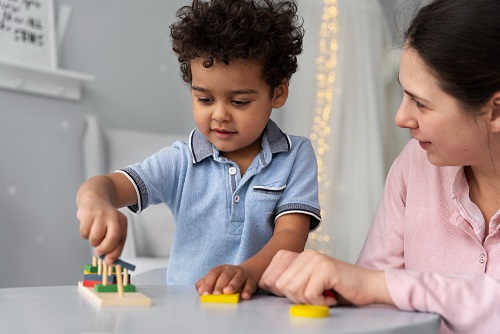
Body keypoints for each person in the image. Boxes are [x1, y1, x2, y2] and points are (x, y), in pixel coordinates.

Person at [258, 0, 500, 332]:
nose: (401, 118)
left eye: (420, 103)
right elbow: (370, 295)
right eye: (404, 95)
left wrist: (375, 285)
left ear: (495, 111)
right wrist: (326, 287)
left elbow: (375, 284)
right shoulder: (416, 164)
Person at [76, 0, 321, 300]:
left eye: (240, 102)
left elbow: (290, 237)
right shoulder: (181, 161)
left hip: (263, 309)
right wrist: (96, 203)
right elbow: (107, 186)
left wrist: (247, 274)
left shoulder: (296, 155)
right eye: (205, 99)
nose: (219, 115)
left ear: (278, 93)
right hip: (188, 311)